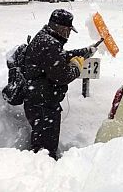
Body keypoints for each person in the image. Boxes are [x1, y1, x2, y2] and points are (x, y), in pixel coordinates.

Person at [20, 9, 96, 159]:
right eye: (68, 30)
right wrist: (76, 67)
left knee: (42, 144)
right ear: (60, 28)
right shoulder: (49, 44)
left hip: (39, 101)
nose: (68, 34)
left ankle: (42, 166)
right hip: (43, 105)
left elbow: (60, 57)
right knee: (45, 150)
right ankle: (44, 173)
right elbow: (62, 76)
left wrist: (84, 52)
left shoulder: (46, 39)